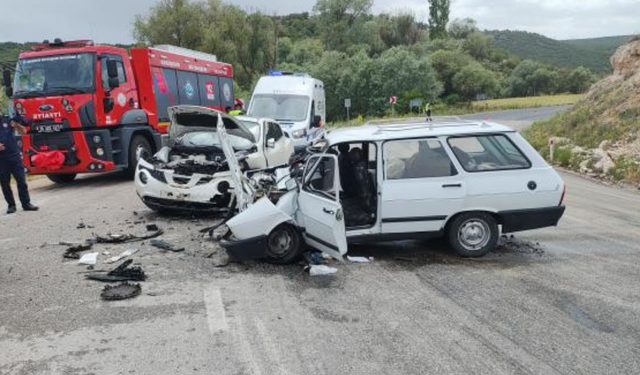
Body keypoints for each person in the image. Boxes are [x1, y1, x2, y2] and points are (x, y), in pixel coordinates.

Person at [0, 114, 38, 214]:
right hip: (1, 159)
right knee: (5, 183)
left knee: (21, 180)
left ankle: (26, 204)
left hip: (14, 155)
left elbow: (24, 132)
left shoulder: (8, 119)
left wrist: (17, 125)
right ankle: (11, 205)